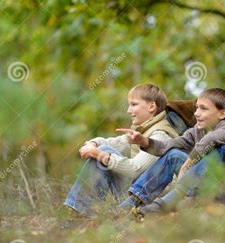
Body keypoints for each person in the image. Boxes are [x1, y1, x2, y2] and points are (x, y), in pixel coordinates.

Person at [118, 88, 225, 216]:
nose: (197, 113)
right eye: (197, 108)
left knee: (217, 149)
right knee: (173, 154)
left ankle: (165, 204)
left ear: (222, 113)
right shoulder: (197, 131)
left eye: (203, 109)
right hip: (217, 187)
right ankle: (131, 203)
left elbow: (212, 140)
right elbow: (169, 145)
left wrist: (188, 163)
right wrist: (144, 141)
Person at [64, 84, 178, 217]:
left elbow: (134, 169)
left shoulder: (160, 134)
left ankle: (81, 210)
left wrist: (98, 154)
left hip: (150, 198)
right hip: (138, 191)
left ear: (151, 107)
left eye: (134, 104)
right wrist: (93, 143)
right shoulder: (143, 129)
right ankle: (80, 210)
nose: (129, 110)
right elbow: (115, 142)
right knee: (103, 149)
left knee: (102, 152)